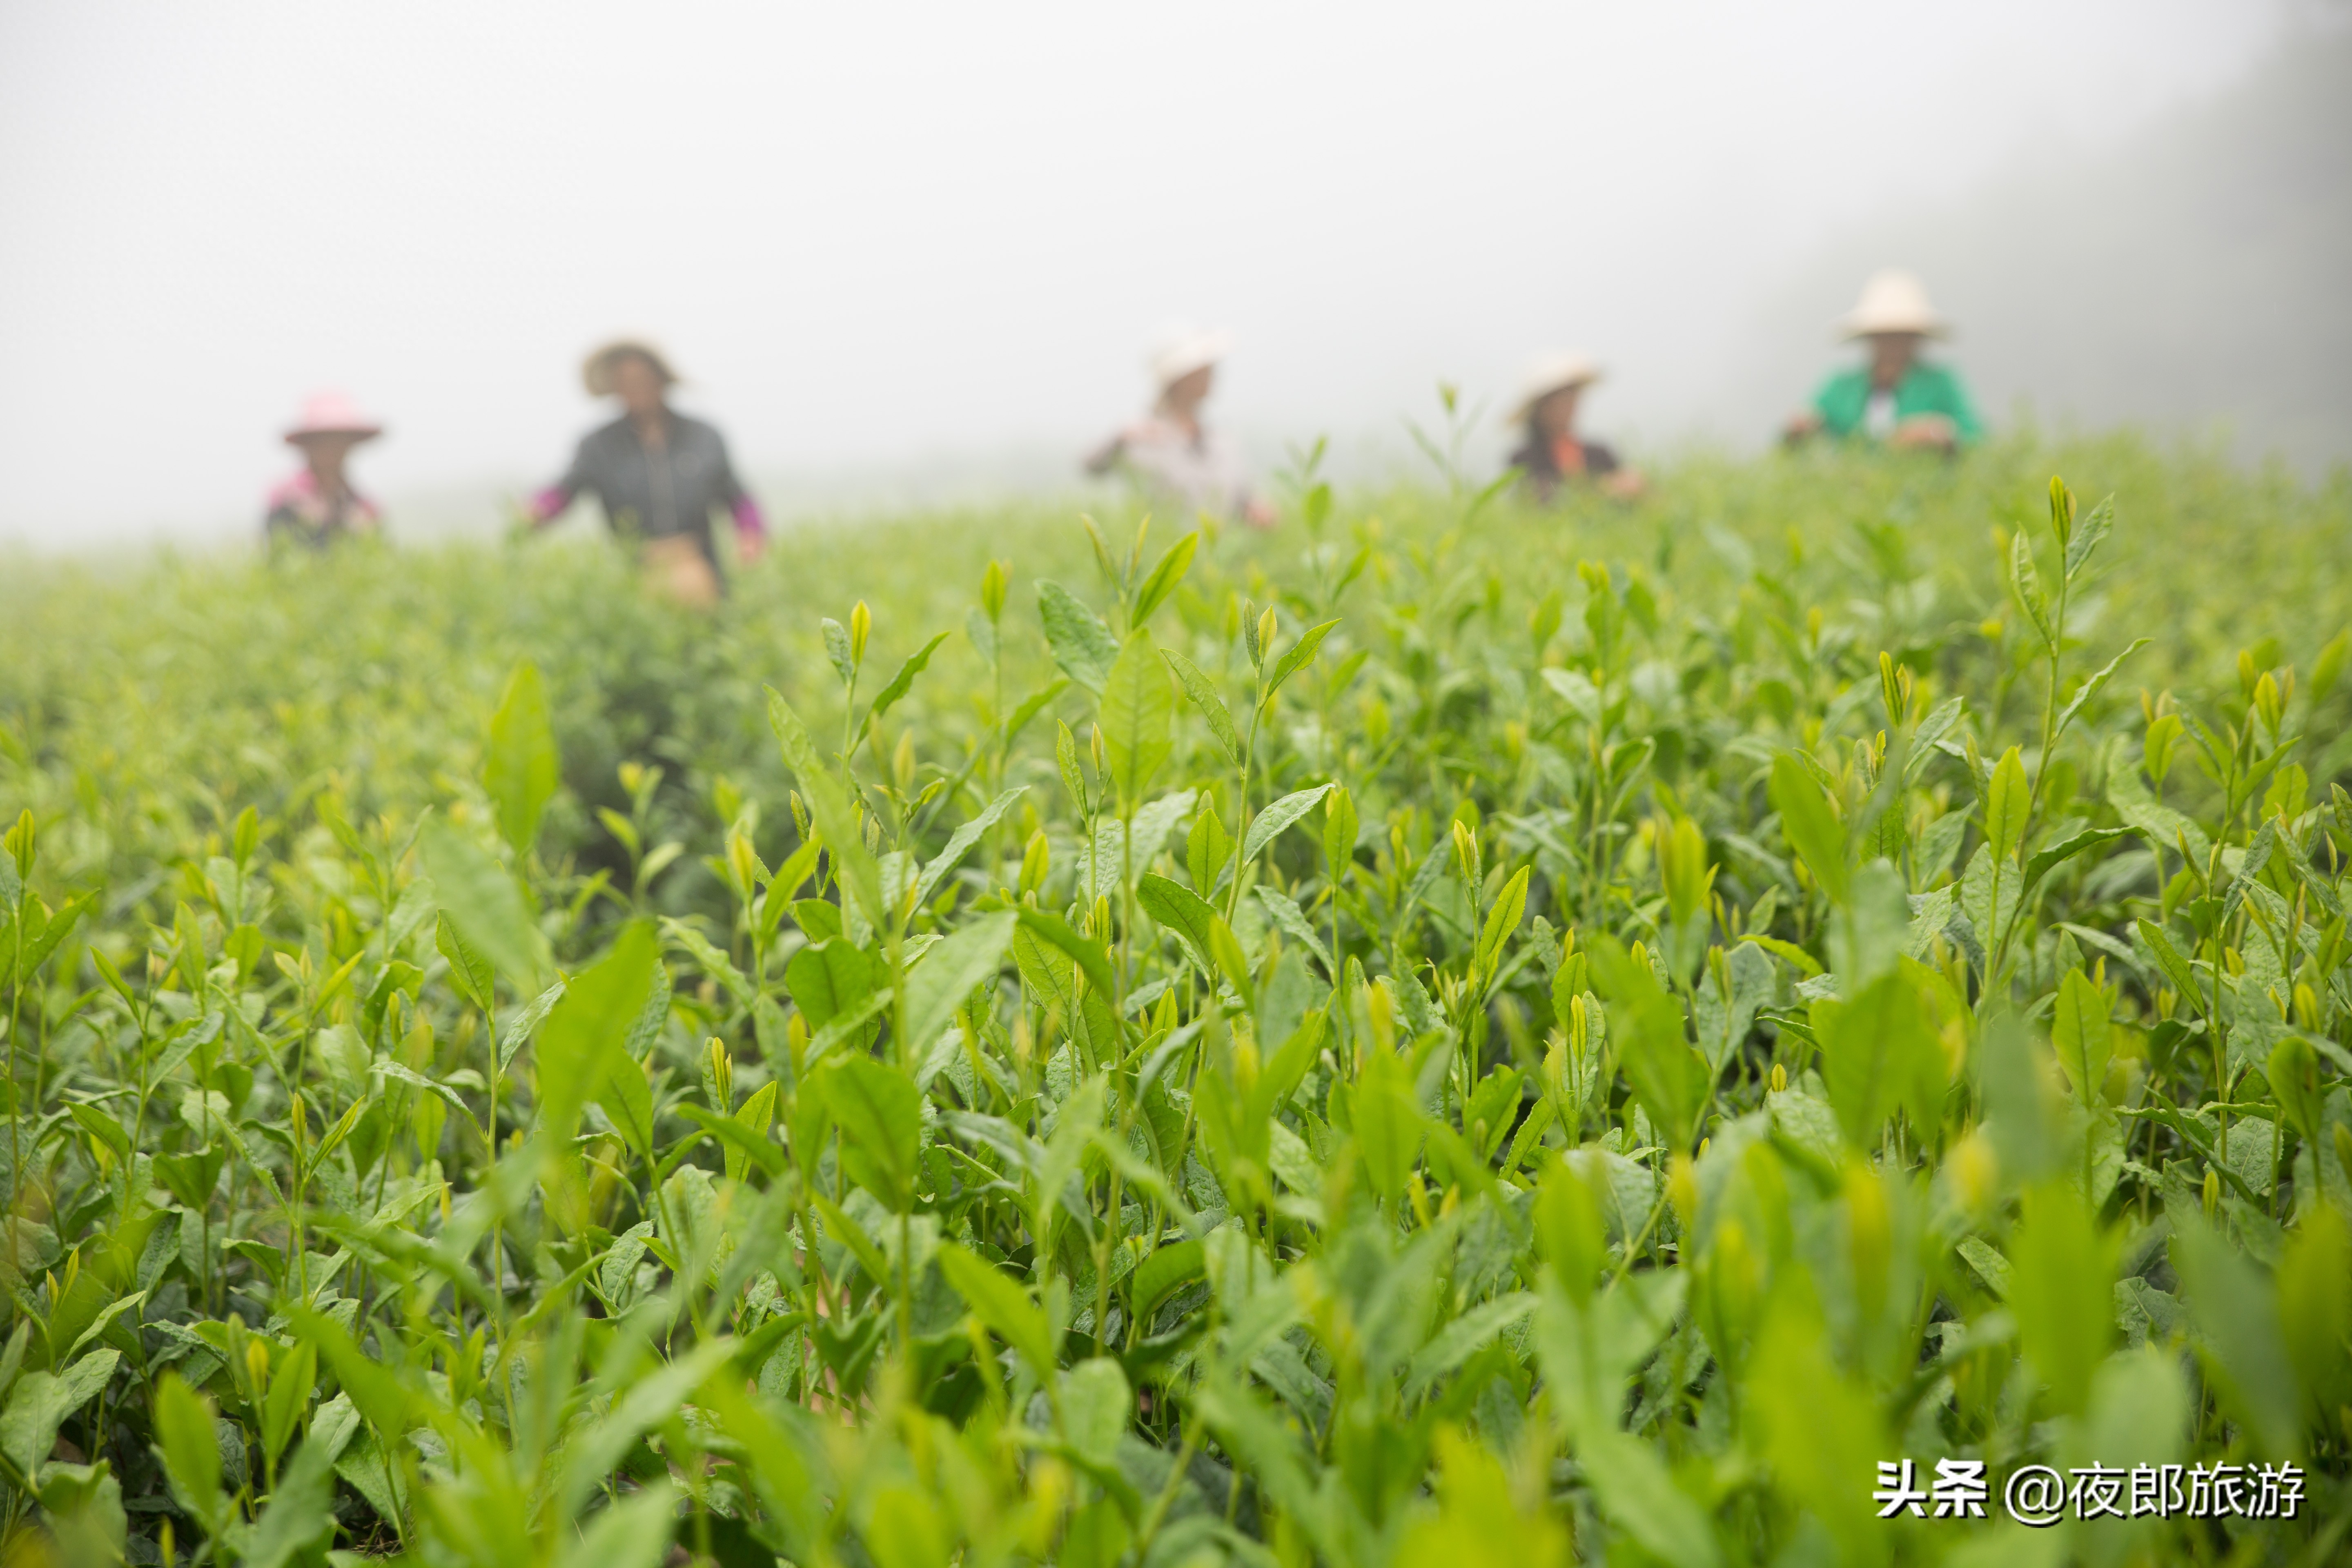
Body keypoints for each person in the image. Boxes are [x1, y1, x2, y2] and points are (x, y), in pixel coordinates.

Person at [524, 340, 767, 608]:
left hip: (699, 569)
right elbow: (566, 489)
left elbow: (736, 495)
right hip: (634, 574)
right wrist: (535, 512)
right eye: (625, 382)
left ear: (661, 379)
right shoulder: (600, 445)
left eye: (642, 379)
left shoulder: (704, 437)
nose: (635, 389)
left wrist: (751, 534)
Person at [1084, 326, 1276, 527]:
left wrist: (1258, 510)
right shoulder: (1143, 436)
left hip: (1221, 553)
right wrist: (1120, 437)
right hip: (1167, 550)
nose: (1211, 375)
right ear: (1178, 379)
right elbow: (1090, 466)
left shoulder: (1221, 439)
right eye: (1202, 370)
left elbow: (1244, 495)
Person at [1784, 270, 1982, 454]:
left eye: (1901, 335)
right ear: (1871, 338)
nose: (1893, 345)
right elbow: (1797, 431)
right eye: (1885, 336)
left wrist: (1937, 434)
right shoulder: (1841, 387)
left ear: (1915, 338)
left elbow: (1977, 437)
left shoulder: (1941, 383)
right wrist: (1801, 428)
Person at [1504, 352, 1646, 501]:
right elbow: (1541, 498)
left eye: (1571, 398)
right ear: (1540, 408)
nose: (1566, 407)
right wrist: (1602, 488)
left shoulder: (1599, 453)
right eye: (1557, 400)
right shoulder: (1525, 459)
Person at [265, 392, 385, 548]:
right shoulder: (286, 502)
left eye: (338, 441)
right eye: (324, 441)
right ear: (309, 445)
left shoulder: (364, 508)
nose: (331, 449)